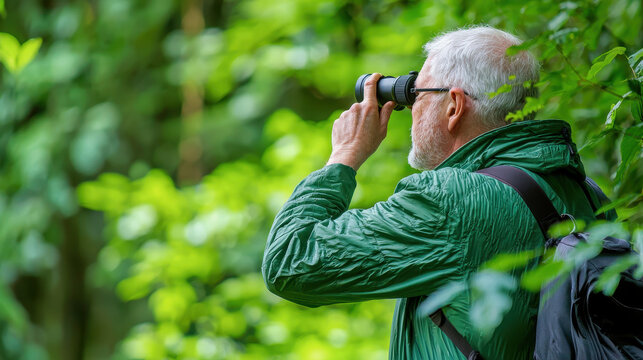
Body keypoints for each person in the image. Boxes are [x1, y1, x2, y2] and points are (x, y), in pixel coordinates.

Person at [262, 26, 604, 359]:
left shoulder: (451, 200)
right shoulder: (587, 193)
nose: (410, 107)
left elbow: (290, 261)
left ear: (454, 106)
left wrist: (344, 157)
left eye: (418, 94)